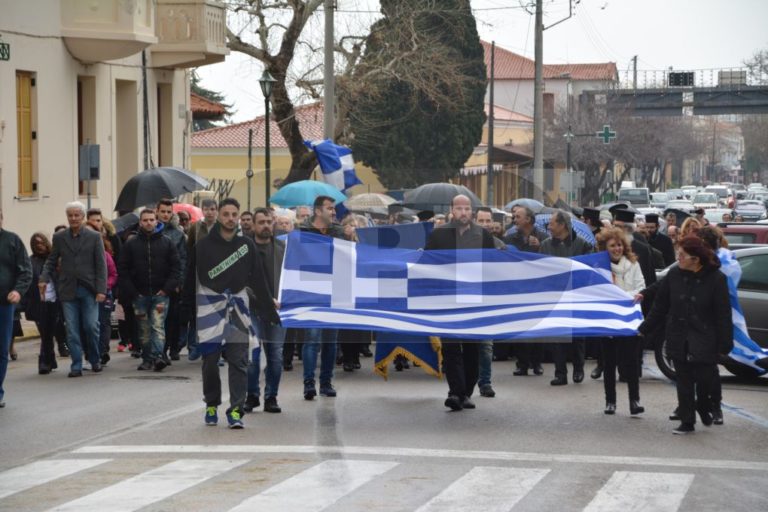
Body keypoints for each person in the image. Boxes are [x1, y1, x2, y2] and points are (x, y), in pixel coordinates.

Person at [182, 198, 279, 429]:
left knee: (239, 361)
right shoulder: (203, 246)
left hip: (237, 307)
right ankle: (212, 403)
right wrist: (187, 315)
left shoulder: (246, 245)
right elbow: (189, 280)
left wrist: (268, 307)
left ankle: (236, 409)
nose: (230, 218)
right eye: (226, 214)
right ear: (219, 216)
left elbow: (258, 279)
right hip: (209, 307)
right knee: (211, 362)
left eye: (234, 214)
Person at [638, 236, 733, 435]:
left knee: (706, 379)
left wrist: (725, 343)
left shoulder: (717, 279)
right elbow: (660, 307)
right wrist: (643, 329)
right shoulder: (673, 275)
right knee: (684, 381)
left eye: (682, 255)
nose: (678, 258)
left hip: (705, 337)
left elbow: (723, 314)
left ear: (695, 259)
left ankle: (705, 405)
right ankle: (687, 421)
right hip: (678, 336)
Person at [424, 194, 496, 410]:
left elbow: (493, 267)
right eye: (459, 208)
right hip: (448, 299)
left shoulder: (483, 235)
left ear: (472, 211)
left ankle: (466, 392)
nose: (463, 212)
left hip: (474, 299)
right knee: (451, 347)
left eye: (467, 208)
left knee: (472, 350)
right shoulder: (439, 235)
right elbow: (427, 263)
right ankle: (455, 392)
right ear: (452, 211)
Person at [40, 202, 107, 378]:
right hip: (68, 290)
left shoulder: (94, 237)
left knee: (91, 326)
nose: (74, 218)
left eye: (77, 215)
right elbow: (51, 260)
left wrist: (101, 289)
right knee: (72, 329)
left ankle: (94, 358)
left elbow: (101, 265)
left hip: (89, 289)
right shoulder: (60, 237)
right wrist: (43, 278)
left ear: (83, 217)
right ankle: (76, 364)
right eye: (70, 215)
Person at [119, 209, 181, 372]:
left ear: (156, 221)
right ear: (140, 222)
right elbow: (123, 270)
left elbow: (176, 268)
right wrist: (133, 291)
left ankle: (158, 356)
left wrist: (166, 289)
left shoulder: (167, 243)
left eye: (151, 220)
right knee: (144, 328)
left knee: (157, 326)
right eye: (145, 220)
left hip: (161, 294)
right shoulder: (131, 244)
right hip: (139, 295)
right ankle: (147, 359)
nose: (148, 223)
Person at [298, 195, 345, 400]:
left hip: (334, 291)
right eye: (330, 208)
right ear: (318, 211)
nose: (334, 212)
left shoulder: (339, 232)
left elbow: (349, 258)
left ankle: (326, 382)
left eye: (334, 209)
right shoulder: (302, 232)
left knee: (330, 341)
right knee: (312, 338)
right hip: (311, 291)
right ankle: (309, 383)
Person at [595, 227, 646, 416]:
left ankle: (634, 400)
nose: (616, 249)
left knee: (631, 362)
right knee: (609, 363)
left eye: (619, 245)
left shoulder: (633, 264)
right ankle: (610, 401)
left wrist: (622, 296)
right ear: (605, 248)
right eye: (612, 246)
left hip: (629, 319)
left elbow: (641, 287)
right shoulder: (600, 268)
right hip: (609, 320)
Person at [539, 210, 593, 386]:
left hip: (577, 295)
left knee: (578, 336)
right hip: (555, 297)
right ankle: (560, 373)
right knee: (557, 335)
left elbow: (589, 270)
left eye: (552, 223)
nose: (549, 226)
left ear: (562, 225)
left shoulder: (583, 245)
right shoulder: (545, 245)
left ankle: (578, 369)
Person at [244, 208, 286, 414]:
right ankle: (252, 395)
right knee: (253, 355)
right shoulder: (244, 249)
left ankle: (271, 396)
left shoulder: (282, 248)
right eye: (261, 222)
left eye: (269, 221)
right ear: (253, 225)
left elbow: (291, 278)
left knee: (275, 356)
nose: (266, 226)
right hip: (252, 309)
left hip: (277, 311)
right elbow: (241, 281)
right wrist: (262, 298)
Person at [504, 206, 550, 378]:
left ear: (528, 220)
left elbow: (550, 261)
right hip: (518, 288)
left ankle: (537, 363)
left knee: (538, 327)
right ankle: (522, 364)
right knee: (520, 326)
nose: (514, 219)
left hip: (538, 288)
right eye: (514, 216)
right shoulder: (509, 238)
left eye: (518, 216)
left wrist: (540, 247)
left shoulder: (543, 238)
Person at [0, 210, 32, 407]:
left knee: (1, 349)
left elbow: (25, 271)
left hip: (4, 303)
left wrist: (18, 291)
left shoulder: (12, 241)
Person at [156, 199, 187, 362]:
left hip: (172, 281)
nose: (166, 214)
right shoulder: (152, 230)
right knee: (157, 319)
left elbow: (183, 259)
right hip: (155, 281)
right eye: (163, 211)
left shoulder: (178, 233)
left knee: (173, 318)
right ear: (157, 211)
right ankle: (159, 350)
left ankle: (173, 348)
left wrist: (179, 282)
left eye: (169, 211)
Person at [25, 232, 61, 374]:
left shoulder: (55, 259)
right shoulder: (30, 261)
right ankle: (45, 361)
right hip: (38, 302)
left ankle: (49, 359)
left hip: (55, 300)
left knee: (50, 331)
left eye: (41, 243)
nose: (39, 246)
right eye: (36, 244)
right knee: (44, 332)